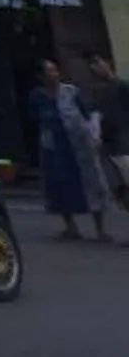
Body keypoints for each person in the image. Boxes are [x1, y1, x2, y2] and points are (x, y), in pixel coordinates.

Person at [29, 57, 112, 241]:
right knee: (59, 184)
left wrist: (94, 136)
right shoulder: (37, 96)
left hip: (79, 144)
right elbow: (36, 120)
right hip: (55, 148)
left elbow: (88, 114)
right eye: (49, 71)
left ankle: (100, 229)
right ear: (40, 76)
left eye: (55, 70)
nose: (54, 74)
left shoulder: (71, 92)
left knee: (92, 182)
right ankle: (71, 226)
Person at [90, 53, 129, 197]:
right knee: (120, 190)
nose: (96, 68)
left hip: (124, 144)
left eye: (98, 63)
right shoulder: (100, 93)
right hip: (109, 146)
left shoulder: (122, 86)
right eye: (93, 67)